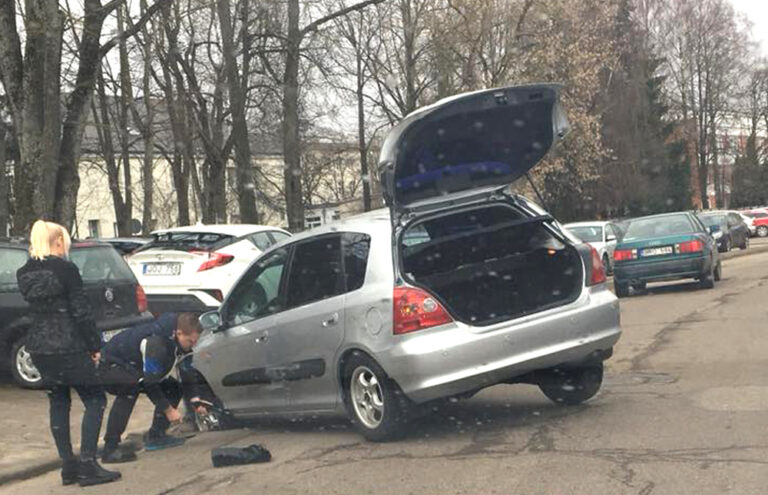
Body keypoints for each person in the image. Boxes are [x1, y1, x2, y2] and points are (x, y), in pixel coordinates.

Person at [16, 220, 121, 487]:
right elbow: (81, 312)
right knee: (95, 399)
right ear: (59, 242)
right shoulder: (66, 269)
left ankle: (68, 465)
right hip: (69, 344)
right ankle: (88, 463)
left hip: (39, 346)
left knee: (59, 401)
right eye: (66, 242)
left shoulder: (24, 272)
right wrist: (94, 345)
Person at [99, 312, 202, 463]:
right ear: (179, 333)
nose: (192, 346)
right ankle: (110, 448)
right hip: (109, 365)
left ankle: (157, 435)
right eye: (190, 341)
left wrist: (196, 401)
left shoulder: (180, 343)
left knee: (174, 388)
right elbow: (150, 383)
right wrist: (168, 410)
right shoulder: (157, 343)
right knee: (130, 389)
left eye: (195, 342)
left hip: (133, 368)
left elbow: (187, 372)